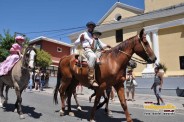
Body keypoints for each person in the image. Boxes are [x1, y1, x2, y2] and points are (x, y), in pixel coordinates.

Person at [74, 21, 98, 87]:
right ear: (87, 27)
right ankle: (91, 78)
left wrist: (106, 46)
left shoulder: (94, 36)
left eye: (92, 26)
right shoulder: (83, 34)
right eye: (89, 26)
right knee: (93, 57)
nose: (91, 27)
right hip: (86, 50)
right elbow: (75, 43)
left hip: (94, 50)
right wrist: (80, 40)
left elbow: (99, 44)